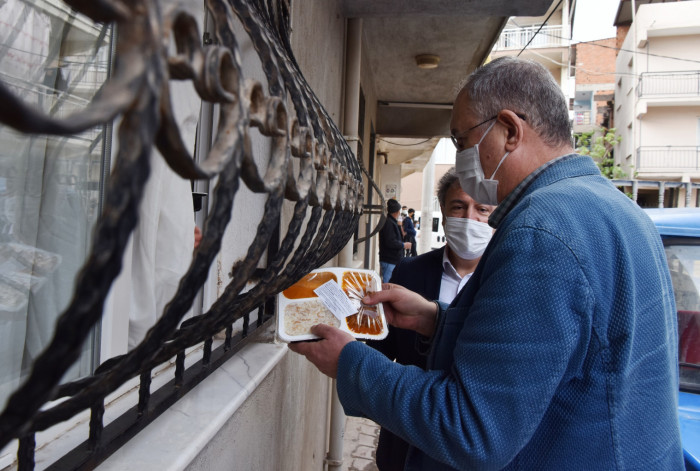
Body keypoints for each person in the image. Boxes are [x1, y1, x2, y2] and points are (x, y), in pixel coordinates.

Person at [290, 57, 684, 470]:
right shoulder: (622, 210)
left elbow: (472, 430)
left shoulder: (543, 228)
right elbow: (563, 353)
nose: (460, 157)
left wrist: (353, 364)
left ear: (510, 130)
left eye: (461, 141)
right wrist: (436, 321)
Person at [367, 168, 495, 471]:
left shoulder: (507, 281)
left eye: (482, 209)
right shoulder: (409, 273)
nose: (470, 218)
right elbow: (381, 354)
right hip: (407, 445)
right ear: (444, 212)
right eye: (459, 207)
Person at [379, 198, 411, 283]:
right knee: (387, 285)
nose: (399, 213)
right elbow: (390, 242)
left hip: (391, 260)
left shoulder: (391, 222)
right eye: (399, 211)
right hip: (389, 260)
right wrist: (404, 245)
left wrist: (400, 228)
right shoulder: (389, 223)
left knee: (390, 284)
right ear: (396, 212)